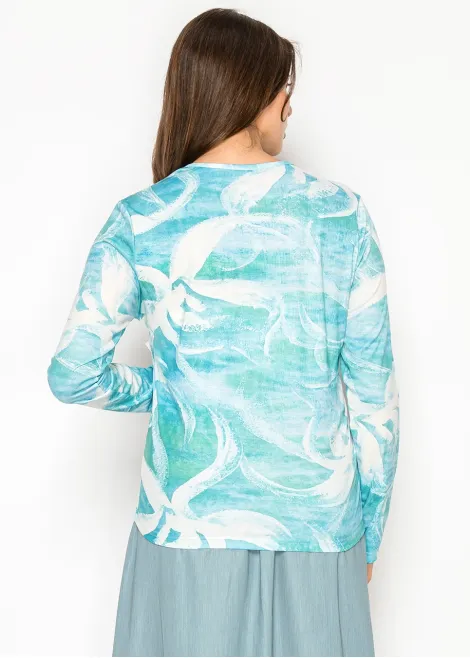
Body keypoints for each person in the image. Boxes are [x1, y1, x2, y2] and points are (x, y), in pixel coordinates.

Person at [46, 7, 400, 657]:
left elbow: (74, 373)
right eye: (283, 87)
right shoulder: (342, 215)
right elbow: (375, 405)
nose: (289, 105)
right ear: (253, 93)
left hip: (186, 527)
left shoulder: (142, 219)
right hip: (319, 532)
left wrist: (172, 387)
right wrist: (369, 537)